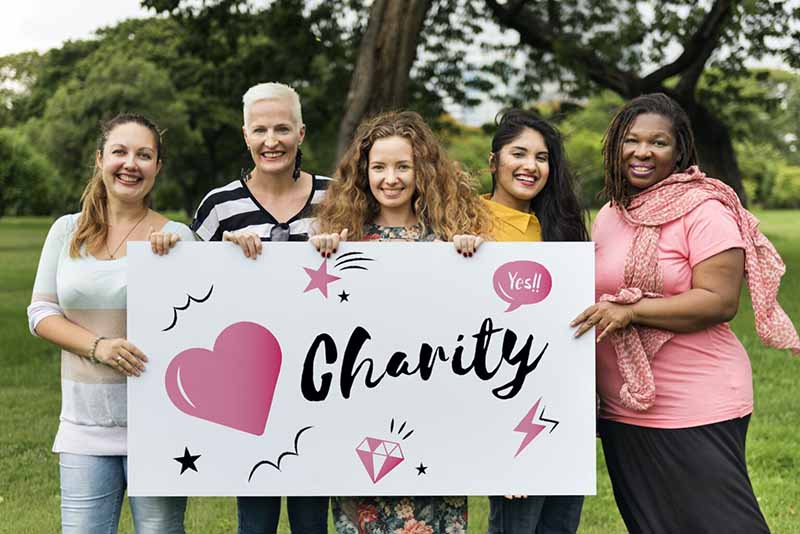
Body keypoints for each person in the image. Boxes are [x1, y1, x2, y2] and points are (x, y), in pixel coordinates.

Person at [571, 93, 800, 534]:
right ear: (615, 145)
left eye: (658, 142)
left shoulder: (705, 210)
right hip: (625, 405)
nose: (642, 152)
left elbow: (719, 300)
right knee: (653, 525)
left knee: (723, 525)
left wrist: (634, 311)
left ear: (679, 151)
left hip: (696, 400)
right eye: (631, 140)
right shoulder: (610, 214)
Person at [311, 110, 492, 534]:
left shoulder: (447, 244)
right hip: (363, 427)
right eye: (379, 167)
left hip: (433, 429)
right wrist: (320, 252)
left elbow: (475, 324)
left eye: (402, 166)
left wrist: (472, 255)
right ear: (363, 173)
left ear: (421, 172)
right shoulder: (343, 244)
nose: (390, 178)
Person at [27, 113, 193, 533]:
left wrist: (178, 263)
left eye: (144, 155)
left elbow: (197, 325)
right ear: (100, 159)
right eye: (120, 152)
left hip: (158, 427)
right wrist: (97, 345)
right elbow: (41, 313)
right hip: (84, 427)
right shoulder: (67, 231)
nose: (130, 164)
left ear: (158, 166)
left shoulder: (176, 238)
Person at [190, 82, 331, 534]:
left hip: (322, 380)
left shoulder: (338, 199)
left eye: (283, 128)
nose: (272, 140)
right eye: (260, 130)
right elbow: (189, 292)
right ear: (245, 135)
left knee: (312, 517)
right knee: (255, 518)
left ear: (302, 134)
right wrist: (220, 255)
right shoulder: (219, 206)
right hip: (249, 386)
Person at [482, 109, 588, 534]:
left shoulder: (561, 229)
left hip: (564, 402)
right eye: (518, 153)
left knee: (560, 525)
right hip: (505, 402)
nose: (530, 166)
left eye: (542, 157)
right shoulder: (466, 222)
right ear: (494, 162)